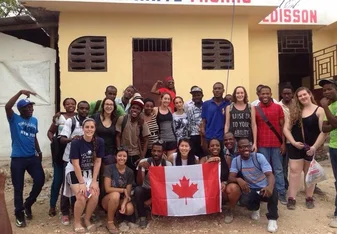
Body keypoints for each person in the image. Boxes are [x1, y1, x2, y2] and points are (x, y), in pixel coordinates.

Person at [5, 90, 45, 228]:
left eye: (31, 107)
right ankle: (19, 215)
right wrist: (20, 92)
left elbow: (34, 136)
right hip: (18, 159)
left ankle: (27, 205)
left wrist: (39, 151)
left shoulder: (34, 120)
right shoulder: (14, 118)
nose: (30, 109)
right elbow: (7, 107)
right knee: (18, 188)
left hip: (32, 157)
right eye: (27, 108)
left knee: (40, 181)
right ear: (20, 110)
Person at [283, 87, 327, 210]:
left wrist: (314, 147)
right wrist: (293, 142)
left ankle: (309, 197)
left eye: (304, 94)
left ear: (309, 94)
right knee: (294, 172)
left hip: (311, 147)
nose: (303, 97)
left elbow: (323, 132)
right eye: (300, 96)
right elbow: (286, 129)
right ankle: (292, 198)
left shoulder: (319, 110)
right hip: (296, 146)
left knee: (309, 173)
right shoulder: (294, 111)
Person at [229, 138, 279, 233]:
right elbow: (230, 177)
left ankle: (272, 219)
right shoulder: (236, 161)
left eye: (247, 146)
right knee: (244, 200)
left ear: (251, 146)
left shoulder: (258, 157)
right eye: (242, 147)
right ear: (238, 149)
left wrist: (270, 186)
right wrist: (238, 179)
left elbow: (270, 174)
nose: (245, 149)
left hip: (264, 188)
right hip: (251, 189)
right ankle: (256, 208)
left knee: (273, 192)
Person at [63, 118, 104, 233]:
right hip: (74, 171)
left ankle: (86, 219)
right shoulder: (76, 143)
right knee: (81, 196)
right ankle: (77, 222)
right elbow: (75, 164)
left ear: (95, 129)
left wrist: (94, 181)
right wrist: (82, 183)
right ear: (82, 128)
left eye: (92, 127)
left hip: (89, 172)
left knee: (95, 194)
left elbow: (98, 161)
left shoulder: (99, 142)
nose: (89, 129)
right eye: (87, 127)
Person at [59, 101, 90, 225]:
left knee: (81, 186)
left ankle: (77, 209)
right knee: (66, 187)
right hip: (69, 159)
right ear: (78, 109)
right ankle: (65, 213)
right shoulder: (70, 121)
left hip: (83, 161)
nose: (84, 110)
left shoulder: (89, 122)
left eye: (86, 109)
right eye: (81, 108)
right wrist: (72, 139)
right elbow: (61, 139)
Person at [255, 85, 287, 205]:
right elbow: (254, 127)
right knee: (264, 170)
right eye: (263, 94)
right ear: (259, 95)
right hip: (262, 144)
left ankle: (281, 193)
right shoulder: (255, 109)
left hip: (276, 144)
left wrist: (283, 143)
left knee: (278, 169)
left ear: (271, 94)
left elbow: (282, 127)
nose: (265, 96)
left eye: (267, 93)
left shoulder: (278, 108)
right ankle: (265, 192)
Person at [200, 138, 241, 224]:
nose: (215, 147)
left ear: (221, 147)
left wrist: (225, 183)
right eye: (212, 146)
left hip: (223, 189)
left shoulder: (227, 159)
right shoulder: (204, 159)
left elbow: (231, 176)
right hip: (208, 189)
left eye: (217, 145)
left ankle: (230, 210)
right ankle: (210, 209)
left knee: (234, 188)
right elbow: (199, 176)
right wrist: (207, 163)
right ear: (208, 148)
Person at [47, 97, 77, 216]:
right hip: (59, 152)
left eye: (72, 103)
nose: (70, 105)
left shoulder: (78, 117)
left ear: (75, 105)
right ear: (64, 105)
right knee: (58, 180)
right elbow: (50, 132)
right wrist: (54, 142)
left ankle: (73, 205)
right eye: (68, 104)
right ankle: (52, 205)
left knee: (73, 179)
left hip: (73, 152)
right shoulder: (59, 117)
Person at [135, 141, 172, 229]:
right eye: (154, 151)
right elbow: (139, 183)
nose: (156, 153)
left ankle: (157, 209)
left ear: (163, 153)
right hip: (147, 189)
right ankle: (142, 217)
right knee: (138, 190)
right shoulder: (145, 162)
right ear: (151, 151)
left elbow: (168, 185)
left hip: (160, 191)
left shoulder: (167, 164)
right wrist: (140, 168)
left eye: (159, 151)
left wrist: (151, 200)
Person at [102, 148, 135, 233]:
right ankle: (110, 222)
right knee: (115, 195)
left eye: (124, 156)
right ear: (115, 157)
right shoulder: (109, 168)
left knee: (130, 209)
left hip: (120, 199)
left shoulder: (130, 172)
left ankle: (116, 212)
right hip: (108, 199)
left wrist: (124, 204)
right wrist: (122, 190)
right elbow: (107, 188)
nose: (122, 158)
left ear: (127, 158)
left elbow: (127, 193)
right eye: (119, 156)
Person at [116, 99, 150, 177]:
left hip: (136, 154)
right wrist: (119, 150)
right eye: (133, 107)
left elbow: (146, 140)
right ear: (130, 109)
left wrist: (142, 157)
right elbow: (117, 136)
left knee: (135, 177)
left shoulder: (143, 123)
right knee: (123, 175)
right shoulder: (122, 119)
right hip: (124, 154)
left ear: (141, 111)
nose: (135, 110)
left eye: (138, 109)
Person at [320, 78, 337, 227]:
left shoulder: (328, 107)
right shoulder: (331, 107)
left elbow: (334, 123)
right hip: (333, 147)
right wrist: (333, 123)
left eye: (329, 89)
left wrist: (325, 108)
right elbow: (324, 128)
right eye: (324, 90)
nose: (326, 92)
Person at [224, 86, 257, 151]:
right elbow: (227, 124)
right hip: (233, 140)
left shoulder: (251, 107)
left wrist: (255, 143)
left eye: (242, 93)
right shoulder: (229, 107)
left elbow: (254, 125)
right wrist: (226, 140)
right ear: (234, 95)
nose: (240, 95)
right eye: (238, 93)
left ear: (245, 94)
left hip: (247, 140)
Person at [278, 85, 294, 191]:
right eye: (285, 93)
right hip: (283, 140)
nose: (287, 95)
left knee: (295, 166)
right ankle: (284, 184)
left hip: (295, 140)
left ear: (292, 94)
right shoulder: (278, 106)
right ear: (281, 94)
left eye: (289, 93)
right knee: (283, 165)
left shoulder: (297, 105)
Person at [187, 86, 204, 157]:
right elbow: (189, 122)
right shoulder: (189, 108)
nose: (196, 97)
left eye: (198, 95)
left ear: (202, 95)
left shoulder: (206, 106)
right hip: (193, 136)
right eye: (194, 95)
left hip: (204, 135)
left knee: (204, 155)